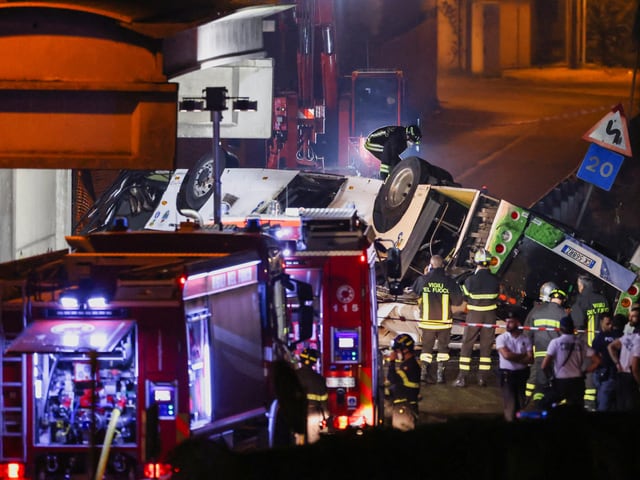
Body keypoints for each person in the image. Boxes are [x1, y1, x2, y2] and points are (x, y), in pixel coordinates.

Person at [410, 254, 463, 384]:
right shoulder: (449, 281)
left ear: (430, 265)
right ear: (442, 266)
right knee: (443, 349)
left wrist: (425, 275)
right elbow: (458, 301)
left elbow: (413, 293)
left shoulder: (423, 279)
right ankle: (440, 375)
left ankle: (423, 373)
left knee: (426, 348)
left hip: (427, 322)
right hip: (444, 322)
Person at [454, 248, 500, 387]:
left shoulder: (470, 281)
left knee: (467, 344)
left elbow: (465, 298)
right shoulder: (495, 280)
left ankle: (462, 377)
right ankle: (482, 378)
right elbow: (497, 297)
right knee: (486, 346)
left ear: (477, 262)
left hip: (474, 315)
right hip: (490, 316)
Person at [540, 316, 599, 410]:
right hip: (577, 382)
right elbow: (597, 361)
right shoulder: (581, 343)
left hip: (561, 382)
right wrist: (585, 371)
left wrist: (550, 377)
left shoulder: (555, 343)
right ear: (573, 328)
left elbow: (544, 366)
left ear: (560, 329)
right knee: (576, 409)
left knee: (545, 404)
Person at [569, 275, 610, 410]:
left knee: (589, 374)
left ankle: (589, 405)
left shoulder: (580, 301)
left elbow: (578, 324)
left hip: (588, 343)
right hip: (604, 343)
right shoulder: (603, 299)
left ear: (582, 286)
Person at [523, 286, 565, 407]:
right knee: (554, 377)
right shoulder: (563, 314)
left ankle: (527, 399)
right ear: (562, 300)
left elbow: (528, 331)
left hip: (539, 351)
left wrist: (528, 349)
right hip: (555, 354)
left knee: (536, 375)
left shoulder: (537, 311)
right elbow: (565, 335)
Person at [495, 310, 533, 421]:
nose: (507, 325)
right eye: (507, 322)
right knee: (510, 404)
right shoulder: (501, 338)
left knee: (521, 404)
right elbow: (506, 355)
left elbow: (531, 359)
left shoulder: (526, 339)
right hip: (507, 375)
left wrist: (514, 357)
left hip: (521, 375)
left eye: (510, 322)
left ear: (518, 324)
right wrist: (523, 356)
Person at [386, 333, 421, 431]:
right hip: (404, 406)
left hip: (405, 408)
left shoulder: (410, 366)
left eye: (397, 350)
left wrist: (391, 362)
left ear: (405, 350)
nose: (396, 353)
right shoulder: (408, 364)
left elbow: (392, 378)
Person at [591, 313, 624, 411]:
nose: (610, 326)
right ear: (601, 322)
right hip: (607, 372)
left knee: (604, 401)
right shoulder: (617, 336)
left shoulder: (601, 337)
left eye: (611, 323)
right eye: (607, 323)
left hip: (608, 373)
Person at [295, 348, 329, 444]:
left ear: (301, 360)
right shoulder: (319, 380)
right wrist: (325, 417)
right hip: (314, 415)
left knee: (299, 442)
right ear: (314, 363)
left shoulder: (293, 376)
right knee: (314, 443)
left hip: (297, 414)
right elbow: (324, 402)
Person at [607, 322, 640, 412]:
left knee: (621, 406)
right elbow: (635, 368)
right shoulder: (639, 342)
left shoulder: (628, 337)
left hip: (621, 376)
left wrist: (617, 363)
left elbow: (610, 346)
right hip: (631, 379)